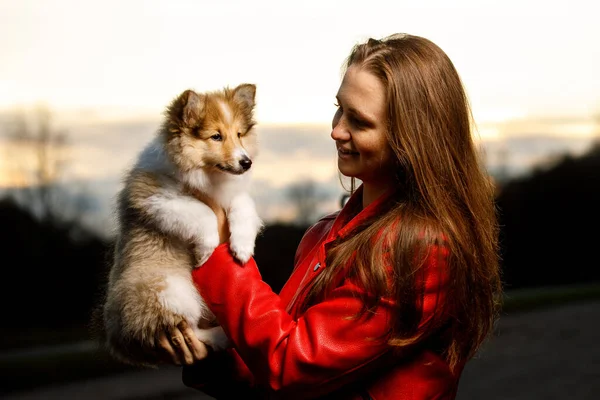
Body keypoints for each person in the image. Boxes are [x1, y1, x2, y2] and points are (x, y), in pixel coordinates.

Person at [157, 33, 501, 399]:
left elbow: (289, 366)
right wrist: (208, 354)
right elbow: (283, 378)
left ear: (413, 138)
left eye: (360, 121)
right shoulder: (322, 234)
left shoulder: (421, 251)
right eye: (339, 108)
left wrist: (219, 246)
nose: (336, 130)